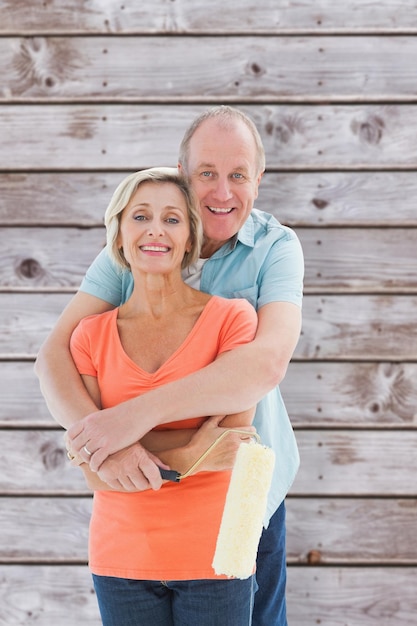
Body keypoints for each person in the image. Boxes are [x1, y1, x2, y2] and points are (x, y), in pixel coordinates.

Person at [35, 105, 304, 626]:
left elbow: (265, 365)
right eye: (206, 174)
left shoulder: (276, 247)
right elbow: (54, 356)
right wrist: (103, 449)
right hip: (139, 498)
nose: (222, 193)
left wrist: (129, 419)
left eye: (238, 176)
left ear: (259, 180)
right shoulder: (140, 244)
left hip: (247, 477)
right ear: (184, 175)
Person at [68, 166, 259, 625]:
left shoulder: (233, 320)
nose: (156, 230)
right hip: (123, 552)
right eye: (140, 217)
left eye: (172, 219)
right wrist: (190, 452)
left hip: (221, 547)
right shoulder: (89, 336)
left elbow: (231, 445)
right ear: (117, 235)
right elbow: (95, 474)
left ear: (191, 237)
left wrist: (123, 449)